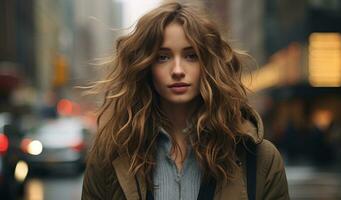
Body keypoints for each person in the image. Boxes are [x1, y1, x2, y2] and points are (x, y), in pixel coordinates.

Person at [82, 2, 289, 200]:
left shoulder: (260, 158)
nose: (178, 70)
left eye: (191, 56)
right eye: (163, 57)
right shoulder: (109, 157)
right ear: (146, 67)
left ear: (208, 64)